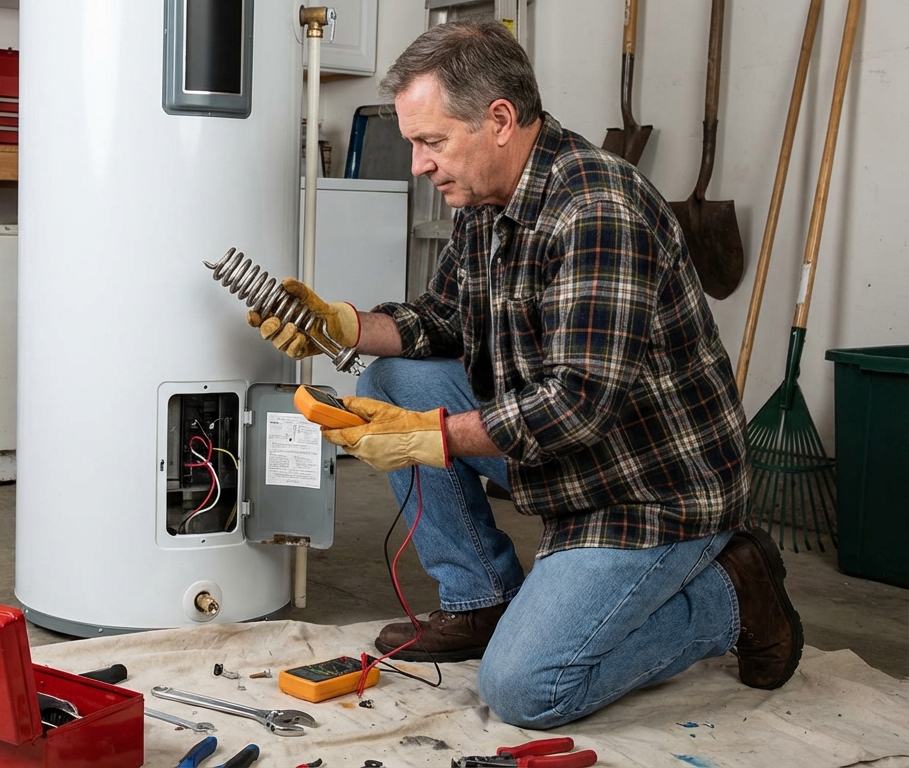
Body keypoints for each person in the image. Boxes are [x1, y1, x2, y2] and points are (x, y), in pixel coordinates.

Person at [250, 20, 803, 729]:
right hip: (572, 464)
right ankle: (479, 598)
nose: (419, 164)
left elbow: (576, 406)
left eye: (431, 141)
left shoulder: (596, 210)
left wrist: (431, 438)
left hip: (649, 492)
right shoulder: (486, 198)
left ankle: (731, 593)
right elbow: (443, 320)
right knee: (392, 379)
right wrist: (346, 326)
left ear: (500, 120)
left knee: (524, 690)